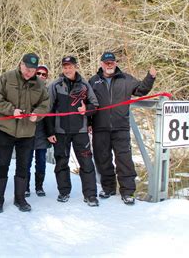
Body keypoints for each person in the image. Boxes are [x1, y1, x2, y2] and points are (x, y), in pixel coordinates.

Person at [89, 52, 157, 205]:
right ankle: (108, 188)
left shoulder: (125, 79)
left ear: (115, 63)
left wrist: (150, 77)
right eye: (106, 62)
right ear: (101, 64)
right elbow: (88, 103)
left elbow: (141, 90)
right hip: (100, 127)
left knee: (124, 160)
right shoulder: (93, 81)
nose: (109, 65)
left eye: (111, 62)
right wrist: (87, 122)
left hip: (121, 128)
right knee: (102, 159)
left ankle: (127, 192)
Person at [0, 53, 50, 213]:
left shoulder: (39, 84)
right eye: (27, 68)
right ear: (20, 64)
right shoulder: (6, 77)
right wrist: (11, 110)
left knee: (23, 166)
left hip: (27, 132)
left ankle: (20, 198)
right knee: (2, 164)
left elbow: (46, 103)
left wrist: (37, 114)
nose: (29, 72)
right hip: (6, 129)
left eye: (33, 70)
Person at [46, 56, 100, 207]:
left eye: (70, 66)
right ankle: (64, 192)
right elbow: (48, 109)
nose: (67, 69)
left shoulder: (84, 85)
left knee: (87, 162)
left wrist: (87, 110)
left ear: (75, 67)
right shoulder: (55, 85)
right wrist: (50, 132)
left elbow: (94, 105)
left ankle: (90, 195)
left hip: (80, 131)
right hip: (60, 131)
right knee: (61, 162)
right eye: (65, 67)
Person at [26, 65, 51, 197]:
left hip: (42, 132)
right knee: (26, 161)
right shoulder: (27, 89)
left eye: (44, 74)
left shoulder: (47, 92)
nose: (41, 76)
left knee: (41, 161)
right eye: (39, 73)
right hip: (28, 131)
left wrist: (51, 133)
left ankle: (39, 186)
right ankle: (25, 187)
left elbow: (49, 116)